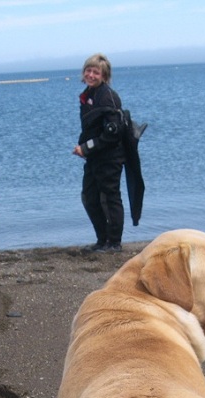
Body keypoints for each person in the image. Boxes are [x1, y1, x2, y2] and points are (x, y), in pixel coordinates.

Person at [73, 53, 126, 252]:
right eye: (89, 70)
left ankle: (114, 243)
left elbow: (113, 132)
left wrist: (86, 148)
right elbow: (91, 128)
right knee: (89, 197)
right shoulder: (87, 95)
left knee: (109, 198)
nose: (91, 75)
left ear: (104, 76)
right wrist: (84, 148)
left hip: (110, 158)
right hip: (94, 158)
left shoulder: (108, 96)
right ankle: (102, 240)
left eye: (96, 72)